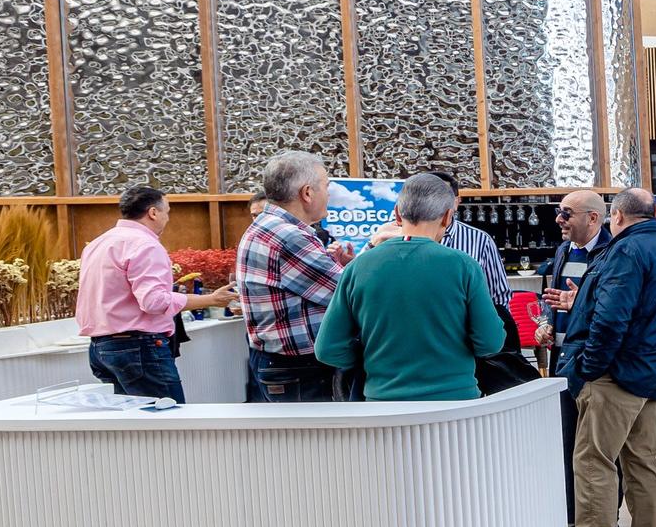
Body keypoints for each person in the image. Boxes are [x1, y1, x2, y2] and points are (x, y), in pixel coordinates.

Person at [559, 189, 656, 527]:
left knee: (594, 465)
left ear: (615, 216)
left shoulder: (625, 252)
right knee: (643, 464)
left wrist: (588, 370)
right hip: (652, 376)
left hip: (616, 379)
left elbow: (612, 319)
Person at [314, 173, 505, 401]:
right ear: (447, 217)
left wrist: (368, 358)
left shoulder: (358, 267)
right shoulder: (464, 265)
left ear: (396, 214)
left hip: (383, 403)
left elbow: (327, 349)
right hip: (455, 403)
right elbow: (490, 342)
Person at [75, 185, 236, 402]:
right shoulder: (145, 244)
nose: (167, 219)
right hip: (138, 346)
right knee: (168, 423)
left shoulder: (97, 243)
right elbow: (154, 302)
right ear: (153, 212)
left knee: (135, 429)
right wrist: (210, 300)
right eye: (167, 212)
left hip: (101, 348)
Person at [235, 150, 353, 403]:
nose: (329, 194)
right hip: (300, 367)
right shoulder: (290, 236)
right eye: (326, 186)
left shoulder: (268, 225)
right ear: (307, 193)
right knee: (317, 441)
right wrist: (377, 251)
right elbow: (348, 294)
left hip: (285, 364)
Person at [536, 188, 612, 527]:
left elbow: (616, 311)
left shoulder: (614, 253)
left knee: (601, 450)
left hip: (595, 364)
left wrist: (582, 302)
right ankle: (572, 518)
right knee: (566, 442)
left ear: (593, 218)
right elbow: (551, 301)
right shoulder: (563, 250)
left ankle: (608, 519)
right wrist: (545, 325)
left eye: (566, 213)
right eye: (559, 212)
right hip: (562, 363)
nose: (559, 219)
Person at [422, 171, 511, 311]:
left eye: (442, 197)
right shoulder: (400, 240)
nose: (435, 204)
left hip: (466, 330)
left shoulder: (481, 241)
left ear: (457, 201)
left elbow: (499, 298)